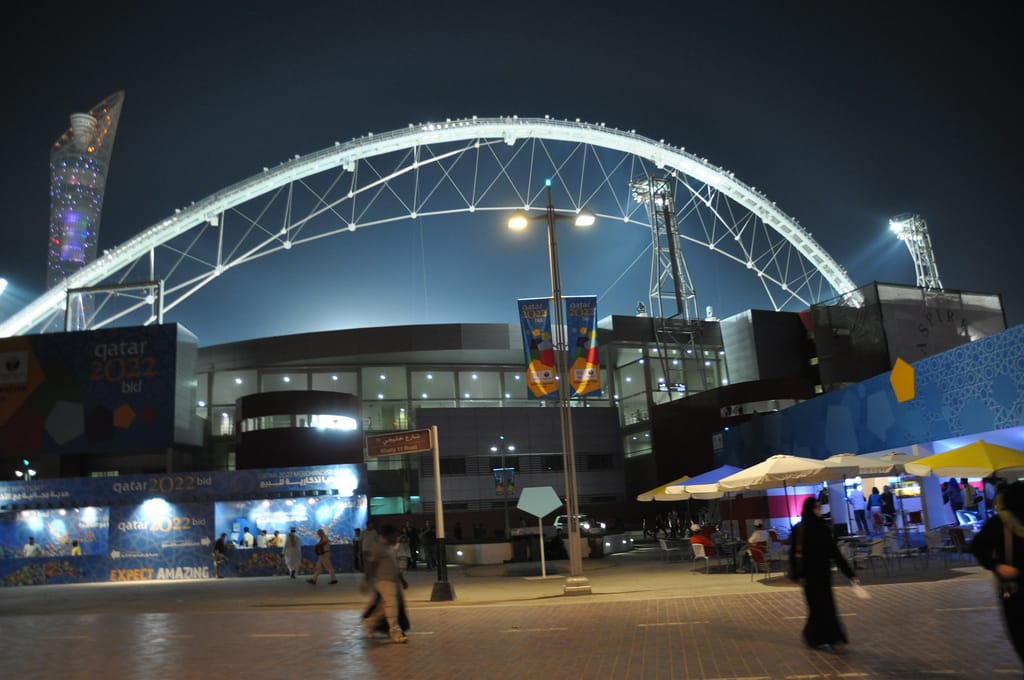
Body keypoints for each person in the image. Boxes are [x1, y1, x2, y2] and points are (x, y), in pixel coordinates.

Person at [790, 496, 858, 652]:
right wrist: (796, 575)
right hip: (811, 575)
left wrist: (848, 572)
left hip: (820, 575)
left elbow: (834, 552)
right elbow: (794, 554)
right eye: (817, 507)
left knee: (825, 606)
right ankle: (820, 637)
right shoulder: (802, 529)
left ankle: (824, 638)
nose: (819, 511)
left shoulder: (821, 528)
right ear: (810, 509)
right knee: (817, 607)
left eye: (820, 507)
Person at [971, 480, 1024, 665]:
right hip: (1016, 589)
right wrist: (996, 566)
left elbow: (977, 546)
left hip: (1014, 589)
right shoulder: (1002, 523)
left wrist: (995, 566)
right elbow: (978, 546)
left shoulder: (1001, 522)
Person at [362, 524, 409, 643]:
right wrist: (366, 580)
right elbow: (370, 564)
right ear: (387, 536)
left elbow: (395, 566)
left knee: (384, 608)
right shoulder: (378, 548)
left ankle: (371, 623)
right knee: (391, 606)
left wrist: (402, 580)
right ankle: (395, 632)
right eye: (394, 536)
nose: (396, 539)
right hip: (384, 581)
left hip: (393, 582)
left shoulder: (390, 548)